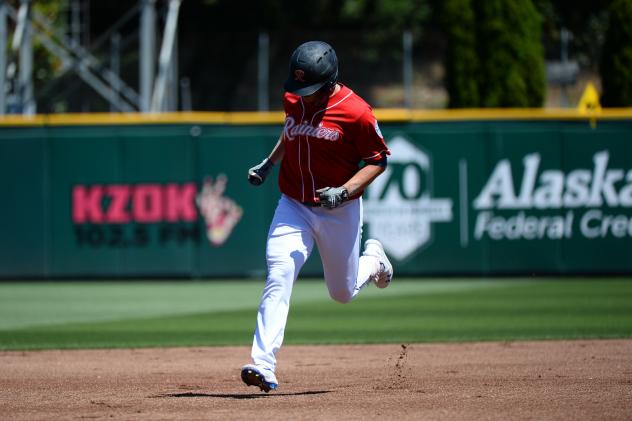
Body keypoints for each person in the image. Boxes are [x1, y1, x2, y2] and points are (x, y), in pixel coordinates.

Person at [241, 40, 393, 393]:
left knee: (341, 292)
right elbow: (291, 131)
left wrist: (344, 190)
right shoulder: (294, 98)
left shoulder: (356, 112)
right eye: (299, 88)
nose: (302, 96)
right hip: (293, 204)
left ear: (328, 82)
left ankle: (373, 261)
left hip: (338, 209)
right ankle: (263, 364)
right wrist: (269, 163)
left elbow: (378, 160)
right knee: (280, 271)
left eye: (310, 89)